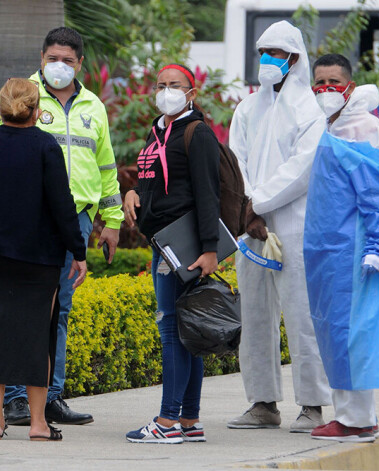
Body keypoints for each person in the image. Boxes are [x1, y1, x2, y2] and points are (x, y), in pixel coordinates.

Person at [0, 26, 123, 427]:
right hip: (28, 217)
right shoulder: (22, 94)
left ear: (80, 63)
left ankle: (50, 398)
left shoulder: (92, 106)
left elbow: (106, 165)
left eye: (68, 60)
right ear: (41, 58)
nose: (60, 66)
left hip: (76, 220)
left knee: (59, 310)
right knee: (20, 307)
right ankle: (16, 399)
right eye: (53, 59)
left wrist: (112, 220)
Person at [0, 78, 87, 441]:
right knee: (37, 334)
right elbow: (62, 205)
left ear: (1, 107)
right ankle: (38, 423)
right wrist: (79, 250)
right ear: (36, 110)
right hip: (38, 259)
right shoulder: (45, 145)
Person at [226, 20, 332, 432]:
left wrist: (258, 202)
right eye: (262, 52)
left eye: (276, 53)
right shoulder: (247, 107)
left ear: (294, 59)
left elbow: (301, 169)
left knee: (302, 315)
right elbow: (237, 160)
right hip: (250, 227)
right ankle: (263, 403)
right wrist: (247, 205)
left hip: (294, 226)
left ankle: (313, 406)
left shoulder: (311, 109)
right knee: (253, 314)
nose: (267, 60)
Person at [304, 54, 379, 443]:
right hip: (329, 250)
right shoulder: (332, 127)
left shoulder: (366, 129)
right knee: (335, 332)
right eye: (319, 83)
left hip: (355, 248)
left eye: (333, 82)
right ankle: (351, 415)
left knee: (354, 333)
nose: (325, 90)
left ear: (350, 85)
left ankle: (357, 420)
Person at [122, 64, 219, 443]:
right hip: (162, 239)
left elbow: (207, 194)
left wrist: (210, 250)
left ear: (191, 93)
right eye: (160, 85)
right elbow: (154, 180)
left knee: (171, 332)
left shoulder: (197, 133)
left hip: (183, 246)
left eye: (174, 85)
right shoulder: (159, 129)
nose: (166, 91)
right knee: (187, 330)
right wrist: (133, 193)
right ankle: (189, 422)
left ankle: (166, 422)